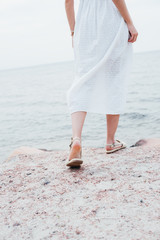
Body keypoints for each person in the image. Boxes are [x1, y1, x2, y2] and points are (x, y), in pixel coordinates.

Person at [65, 0, 138, 167]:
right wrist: (130, 22)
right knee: (114, 80)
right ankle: (110, 141)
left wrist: (73, 31)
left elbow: (68, 1)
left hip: (84, 26)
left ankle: (76, 139)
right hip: (111, 22)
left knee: (82, 82)